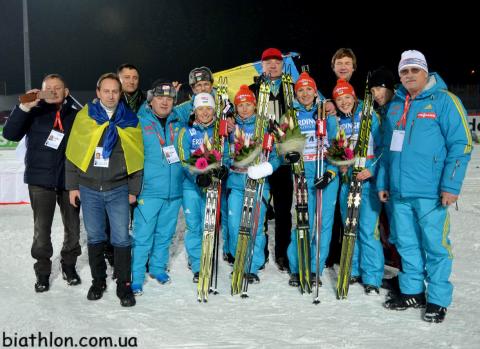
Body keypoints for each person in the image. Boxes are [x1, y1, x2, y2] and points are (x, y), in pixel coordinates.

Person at [378, 50, 472, 322]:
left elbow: (461, 145)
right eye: (404, 71)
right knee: (405, 243)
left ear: (425, 72)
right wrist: (383, 183)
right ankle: (412, 291)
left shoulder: (444, 101)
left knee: (436, 245)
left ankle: (438, 298)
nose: (409, 75)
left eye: (414, 70)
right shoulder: (396, 105)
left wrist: (451, 186)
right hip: (398, 192)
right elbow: (387, 148)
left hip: (430, 192)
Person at [65, 73, 144, 307]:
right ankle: (98, 281)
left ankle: (124, 285)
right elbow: (73, 155)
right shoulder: (85, 117)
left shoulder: (130, 119)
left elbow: (137, 157)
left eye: (115, 91)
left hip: (118, 189)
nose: (110, 95)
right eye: (106, 91)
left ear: (120, 94)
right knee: (96, 236)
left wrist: (133, 189)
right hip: (88, 189)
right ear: (98, 92)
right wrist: (72, 187)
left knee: (121, 237)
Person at [3, 74, 81, 293]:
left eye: (59, 88)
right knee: (41, 231)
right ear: (41, 90)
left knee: (73, 229)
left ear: (66, 92)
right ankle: (43, 272)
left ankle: (69, 265)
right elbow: (10, 134)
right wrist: (24, 107)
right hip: (40, 180)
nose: (54, 91)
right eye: (49, 88)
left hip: (68, 180)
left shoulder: (76, 115)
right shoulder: (33, 112)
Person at [331, 78, 384, 295]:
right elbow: (334, 151)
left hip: (367, 182)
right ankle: (353, 269)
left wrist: (371, 170)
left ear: (354, 97)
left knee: (368, 230)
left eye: (347, 97)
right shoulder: (336, 121)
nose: (344, 102)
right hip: (347, 183)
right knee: (349, 228)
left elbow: (383, 148)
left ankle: (372, 276)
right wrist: (341, 165)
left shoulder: (370, 116)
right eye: (339, 99)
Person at [131, 81, 184, 295]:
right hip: (149, 191)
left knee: (165, 234)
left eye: (170, 98)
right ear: (150, 100)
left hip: (174, 191)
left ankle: (157, 268)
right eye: (160, 98)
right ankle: (136, 276)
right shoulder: (139, 123)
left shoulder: (179, 123)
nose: (165, 102)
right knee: (143, 236)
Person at [285, 72, 339, 286]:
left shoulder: (326, 114)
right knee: (302, 222)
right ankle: (297, 268)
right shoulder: (290, 116)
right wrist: (287, 152)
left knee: (323, 224)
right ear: (296, 94)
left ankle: (315, 268)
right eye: (301, 90)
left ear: (315, 91)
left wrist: (331, 172)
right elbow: (283, 145)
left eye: (309, 89)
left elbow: (340, 147)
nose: (305, 93)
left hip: (325, 174)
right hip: (302, 174)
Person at [227, 85, 280, 283]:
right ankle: (239, 260)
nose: (244, 109)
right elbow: (223, 151)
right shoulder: (230, 127)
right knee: (235, 225)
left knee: (255, 226)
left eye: (248, 104)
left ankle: (252, 266)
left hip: (258, 184)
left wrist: (267, 168)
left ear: (255, 105)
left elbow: (277, 155)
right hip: (236, 183)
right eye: (240, 105)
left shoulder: (265, 125)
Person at [178, 93, 229, 282]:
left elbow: (227, 155)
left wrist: (224, 169)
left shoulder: (220, 132)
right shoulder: (187, 132)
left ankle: (208, 258)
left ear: (214, 110)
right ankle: (198, 265)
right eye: (201, 108)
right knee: (194, 225)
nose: (205, 112)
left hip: (213, 187)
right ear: (195, 111)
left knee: (210, 225)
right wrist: (197, 177)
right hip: (192, 187)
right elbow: (183, 160)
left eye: (208, 108)